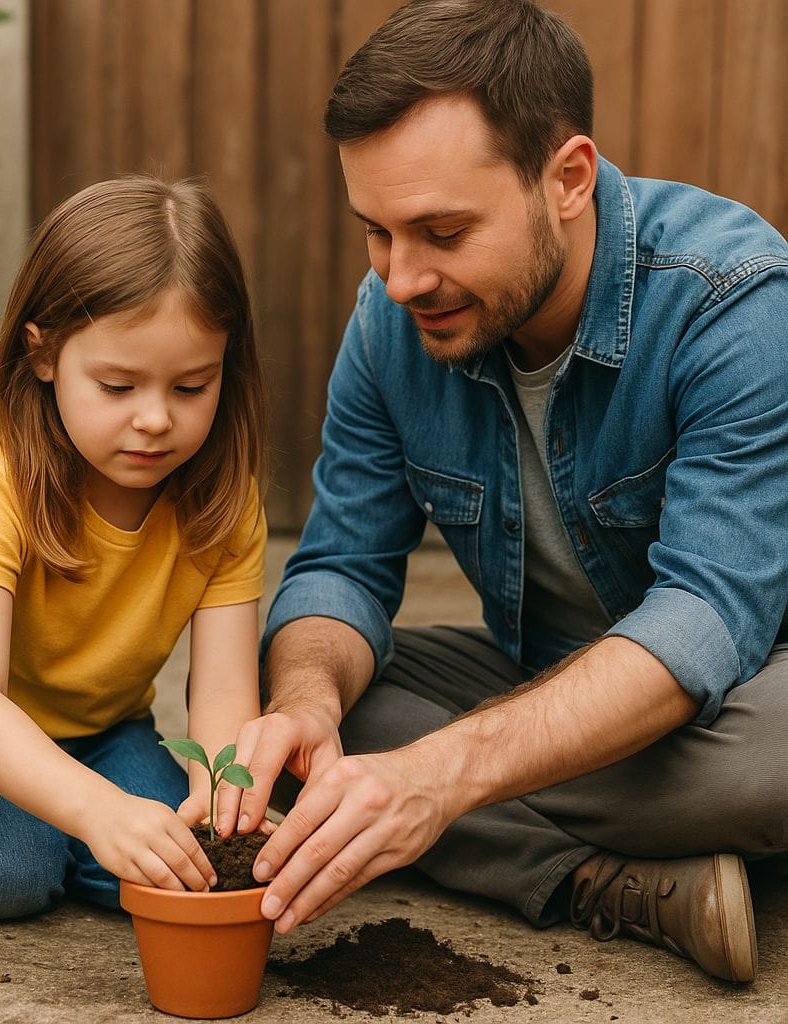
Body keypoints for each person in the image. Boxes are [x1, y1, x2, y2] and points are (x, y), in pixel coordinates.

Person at [226, 0, 788, 984]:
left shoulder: (733, 300)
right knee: (329, 733)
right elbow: (339, 569)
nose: (401, 279)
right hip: (547, 679)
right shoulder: (390, 320)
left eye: (441, 231)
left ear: (565, 178)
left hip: (745, 689)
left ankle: (496, 828)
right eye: (376, 234)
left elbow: (703, 622)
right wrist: (307, 699)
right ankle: (607, 877)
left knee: (766, 763)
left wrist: (441, 775)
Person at [0, 176, 268, 919]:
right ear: (43, 356)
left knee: (190, 864)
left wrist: (220, 796)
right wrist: (97, 813)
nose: (155, 420)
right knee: (10, 874)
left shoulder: (224, 502)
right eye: (117, 385)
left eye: (192, 386)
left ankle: (67, 826)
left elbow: (225, 690)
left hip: (107, 735)